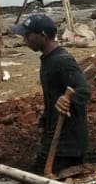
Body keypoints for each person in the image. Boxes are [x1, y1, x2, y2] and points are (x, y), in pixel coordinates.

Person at [12, 13, 91, 175]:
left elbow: (84, 90)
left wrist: (68, 98)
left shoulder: (62, 61)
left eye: (28, 35)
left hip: (66, 143)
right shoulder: (48, 59)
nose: (25, 40)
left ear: (43, 35)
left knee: (45, 180)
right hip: (54, 135)